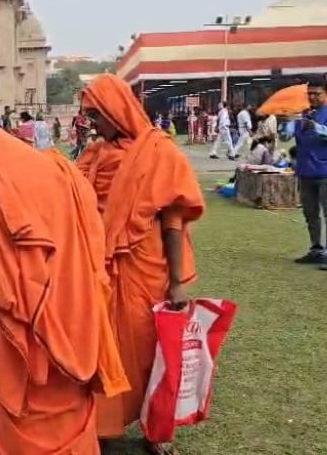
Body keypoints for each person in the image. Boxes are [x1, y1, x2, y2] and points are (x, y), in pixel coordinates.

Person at [0, 116, 128, 455]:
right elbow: (92, 238)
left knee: (23, 413)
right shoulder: (58, 170)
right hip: (75, 312)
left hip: (27, 330)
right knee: (68, 404)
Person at [76, 74, 205, 454]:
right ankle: (102, 425)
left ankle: (157, 430)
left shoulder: (158, 153)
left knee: (152, 351)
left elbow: (173, 220)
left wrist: (177, 282)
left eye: (96, 115)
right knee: (102, 349)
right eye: (88, 116)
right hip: (98, 270)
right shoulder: (93, 156)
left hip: (146, 267)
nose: (92, 124)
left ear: (116, 112)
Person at [279, 79, 327, 271]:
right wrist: (285, 124)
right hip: (305, 171)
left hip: (326, 172)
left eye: (316, 93)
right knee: (310, 214)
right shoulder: (303, 116)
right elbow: (285, 137)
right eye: (309, 93)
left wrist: (315, 126)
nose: (312, 97)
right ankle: (317, 250)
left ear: (326, 94)